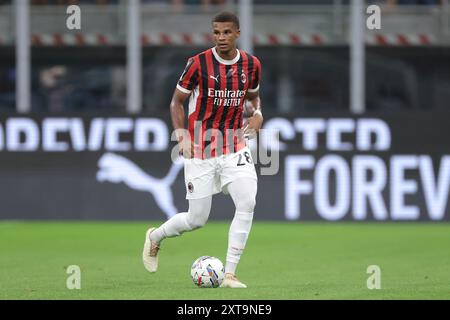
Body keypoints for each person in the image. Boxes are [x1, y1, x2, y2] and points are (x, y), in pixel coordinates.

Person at [142, 11, 263, 289]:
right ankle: (155, 237)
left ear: (237, 33)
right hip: (201, 149)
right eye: (217, 32)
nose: (221, 37)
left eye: (227, 32)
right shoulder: (197, 64)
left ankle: (230, 274)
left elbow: (254, 97)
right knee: (197, 219)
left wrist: (258, 114)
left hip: (235, 146)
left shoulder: (251, 64)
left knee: (247, 202)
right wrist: (182, 136)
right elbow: (176, 103)